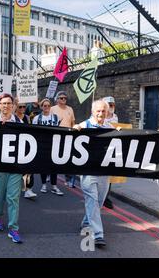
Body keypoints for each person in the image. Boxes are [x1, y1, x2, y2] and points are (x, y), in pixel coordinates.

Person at [73, 99, 113, 248]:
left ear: (107, 112)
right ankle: (97, 235)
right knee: (92, 201)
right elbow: (74, 130)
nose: (101, 113)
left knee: (99, 201)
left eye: (103, 111)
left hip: (104, 172)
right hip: (88, 172)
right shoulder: (85, 125)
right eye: (98, 111)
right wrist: (75, 127)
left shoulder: (110, 127)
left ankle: (85, 223)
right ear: (93, 111)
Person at [0, 93, 24, 243]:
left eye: (8, 103)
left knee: (13, 197)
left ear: (13, 105)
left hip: (15, 167)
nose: (6, 106)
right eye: (3, 103)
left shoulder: (20, 122)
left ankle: (13, 228)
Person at [32, 98, 64, 196]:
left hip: (54, 144)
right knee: (43, 166)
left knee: (54, 166)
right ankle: (44, 185)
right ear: (41, 107)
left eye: (48, 105)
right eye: (44, 106)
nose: (46, 107)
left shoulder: (55, 117)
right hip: (42, 145)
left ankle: (54, 186)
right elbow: (34, 132)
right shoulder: (37, 118)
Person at [51, 91, 76, 188]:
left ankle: (68, 179)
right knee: (54, 156)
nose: (63, 99)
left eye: (65, 98)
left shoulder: (70, 109)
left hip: (68, 136)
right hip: (56, 136)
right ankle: (50, 174)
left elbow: (73, 122)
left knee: (67, 158)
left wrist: (74, 133)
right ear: (57, 100)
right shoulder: (52, 109)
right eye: (61, 98)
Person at [14, 101, 36, 199]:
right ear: (16, 108)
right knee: (17, 168)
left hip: (26, 145)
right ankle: (17, 186)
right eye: (20, 107)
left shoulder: (27, 118)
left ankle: (28, 189)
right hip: (14, 146)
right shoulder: (12, 118)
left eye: (24, 107)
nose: (22, 108)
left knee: (29, 167)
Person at [101, 96, 119, 209]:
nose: (111, 106)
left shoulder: (115, 117)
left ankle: (106, 197)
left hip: (112, 148)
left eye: (112, 104)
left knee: (109, 175)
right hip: (101, 148)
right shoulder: (99, 115)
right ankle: (99, 196)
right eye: (109, 104)